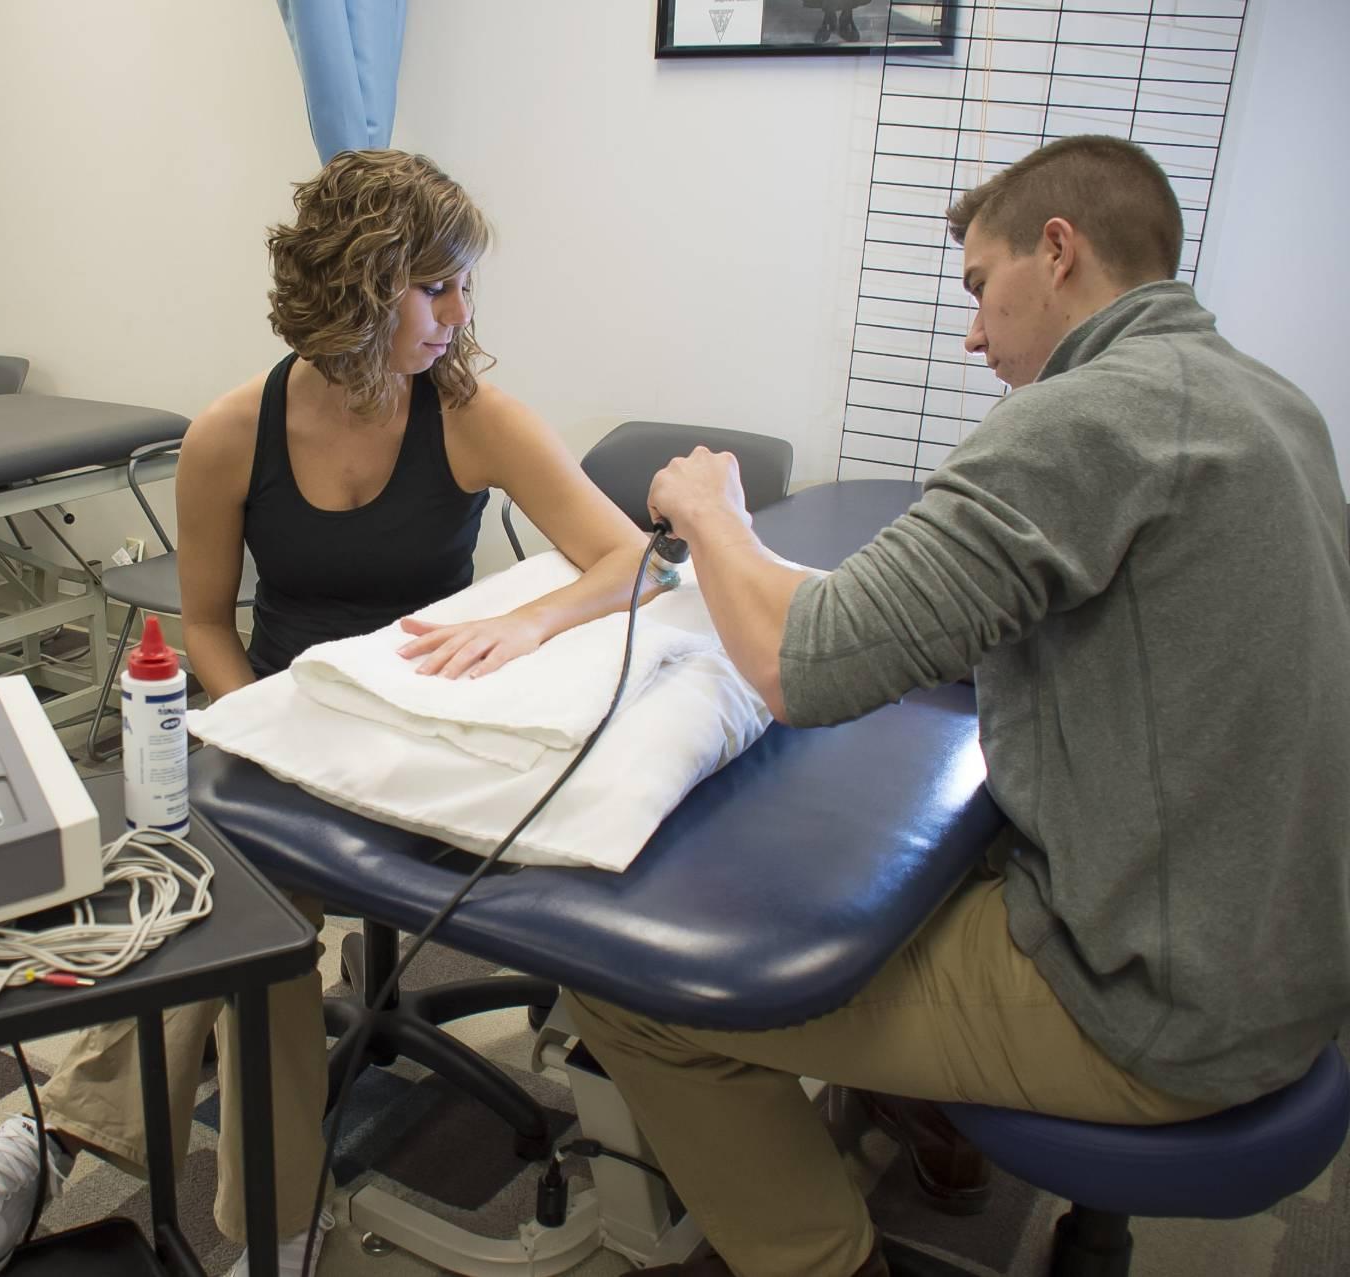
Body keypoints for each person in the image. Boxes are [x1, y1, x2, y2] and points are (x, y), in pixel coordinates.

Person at [571, 133, 1350, 1277]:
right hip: (1280, 953)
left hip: (1162, 1011)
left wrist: (712, 513)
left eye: (982, 288)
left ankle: (828, 1260)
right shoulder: (1270, 402)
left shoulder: (1083, 417)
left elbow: (800, 664)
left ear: (1058, 250)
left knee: (634, 992)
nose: (974, 330)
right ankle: (934, 1123)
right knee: (902, 873)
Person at [0, 149, 659, 1277]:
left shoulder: (471, 415)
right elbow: (206, 622)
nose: (460, 314)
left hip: (425, 738)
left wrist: (529, 621)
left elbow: (632, 562)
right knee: (232, 914)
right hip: (287, 720)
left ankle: (74, 1142)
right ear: (362, 286)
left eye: (461, 285)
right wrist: (262, 723)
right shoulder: (228, 435)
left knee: (238, 910)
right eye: (435, 286)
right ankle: (245, 1208)